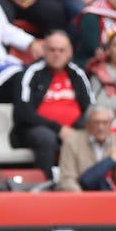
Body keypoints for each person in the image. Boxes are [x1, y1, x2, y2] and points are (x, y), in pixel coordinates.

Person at [11, 30, 95, 180]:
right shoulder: (31, 73)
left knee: (93, 134)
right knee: (46, 138)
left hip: (73, 130)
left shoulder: (77, 74)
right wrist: (59, 128)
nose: (57, 54)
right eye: (52, 50)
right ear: (44, 50)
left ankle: (88, 188)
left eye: (61, 50)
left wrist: (74, 129)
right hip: (36, 130)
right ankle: (45, 189)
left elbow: (90, 108)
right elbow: (23, 112)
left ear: (69, 52)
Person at [58, 104, 116, 190]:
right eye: (96, 122)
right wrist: (82, 200)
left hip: (112, 197)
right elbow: (67, 179)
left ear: (111, 123)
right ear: (87, 124)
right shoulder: (72, 142)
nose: (101, 127)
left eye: (105, 122)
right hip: (81, 196)